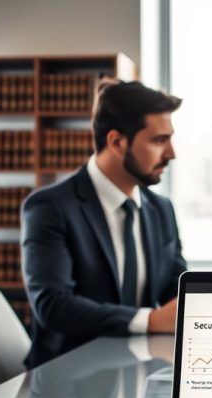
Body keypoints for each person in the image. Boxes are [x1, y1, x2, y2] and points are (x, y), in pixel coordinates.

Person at [21, 79, 188, 368]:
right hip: (69, 380)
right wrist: (149, 320)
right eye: (159, 140)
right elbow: (53, 305)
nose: (171, 153)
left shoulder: (161, 210)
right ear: (116, 142)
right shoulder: (51, 207)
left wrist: (191, 305)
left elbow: (175, 286)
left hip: (142, 368)